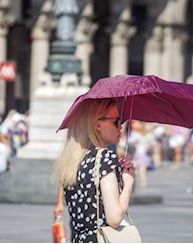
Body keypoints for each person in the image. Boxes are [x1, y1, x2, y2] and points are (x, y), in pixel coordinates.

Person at [53, 98, 136, 242]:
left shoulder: (72, 160)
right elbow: (114, 218)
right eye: (116, 121)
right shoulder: (105, 157)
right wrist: (128, 182)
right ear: (98, 124)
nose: (121, 127)